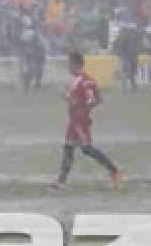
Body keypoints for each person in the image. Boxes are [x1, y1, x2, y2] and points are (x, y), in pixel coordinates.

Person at [49, 51, 124, 191]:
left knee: (84, 148)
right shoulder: (82, 80)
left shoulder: (83, 81)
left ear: (75, 64)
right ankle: (61, 181)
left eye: (69, 64)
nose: (68, 67)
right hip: (76, 119)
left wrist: (77, 105)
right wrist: (72, 100)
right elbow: (98, 99)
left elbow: (91, 100)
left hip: (79, 120)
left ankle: (114, 171)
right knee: (70, 147)